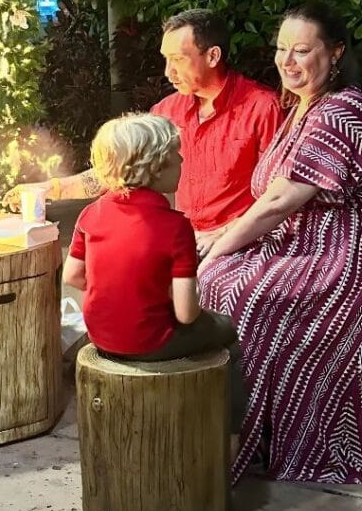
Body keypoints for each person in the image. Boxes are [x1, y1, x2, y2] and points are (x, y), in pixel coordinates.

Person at [198, 2, 362, 484]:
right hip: (300, 244)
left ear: (335, 53)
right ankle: (242, 428)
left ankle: (270, 434)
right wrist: (221, 234)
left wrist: (218, 249)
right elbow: (269, 195)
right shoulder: (301, 107)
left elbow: (283, 200)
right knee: (217, 280)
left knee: (242, 291)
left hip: (351, 257)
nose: (287, 61)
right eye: (281, 49)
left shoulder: (343, 111)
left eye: (302, 50)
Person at [5, 10, 282, 253]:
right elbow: (118, 170)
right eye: (165, 59)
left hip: (244, 242)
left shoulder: (262, 107)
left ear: (213, 55)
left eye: (178, 59)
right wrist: (49, 188)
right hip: (184, 240)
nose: (168, 71)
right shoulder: (167, 111)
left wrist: (225, 233)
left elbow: (278, 197)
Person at [63, 114, 245, 458]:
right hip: (150, 340)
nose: (182, 160)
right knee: (227, 332)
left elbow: (72, 277)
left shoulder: (93, 213)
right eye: (175, 154)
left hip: (100, 333)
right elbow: (186, 314)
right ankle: (234, 436)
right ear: (155, 167)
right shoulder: (175, 226)